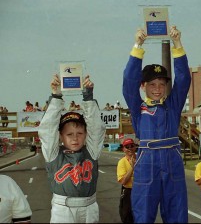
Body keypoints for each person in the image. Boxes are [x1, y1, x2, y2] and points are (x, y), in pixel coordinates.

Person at [122, 25, 191, 223]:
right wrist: (138, 45)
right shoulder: (138, 107)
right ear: (143, 86)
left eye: (162, 84)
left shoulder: (173, 105)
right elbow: (128, 81)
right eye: (152, 84)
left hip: (173, 160)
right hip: (146, 162)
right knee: (143, 215)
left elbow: (184, 79)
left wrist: (177, 44)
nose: (158, 89)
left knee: (177, 214)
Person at [38, 74, 106, 223]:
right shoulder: (53, 154)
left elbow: (96, 128)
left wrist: (88, 96)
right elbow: (47, 129)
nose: (75, 138)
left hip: (89, 208)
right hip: (63, 209)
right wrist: (56, 96)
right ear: (60, 136)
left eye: (80, 133)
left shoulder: (91, 151)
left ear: (86, 134)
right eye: (69, 134)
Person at [117, 138, 136, 223]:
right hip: (128, 192)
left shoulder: (140, 159)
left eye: (132, 146)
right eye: (127, 147)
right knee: (127, 217)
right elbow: (123, 181)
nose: (130, 148)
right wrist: (132, 167)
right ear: (123, 149)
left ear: (135, 147)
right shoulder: (122, 162)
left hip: (141, 191)